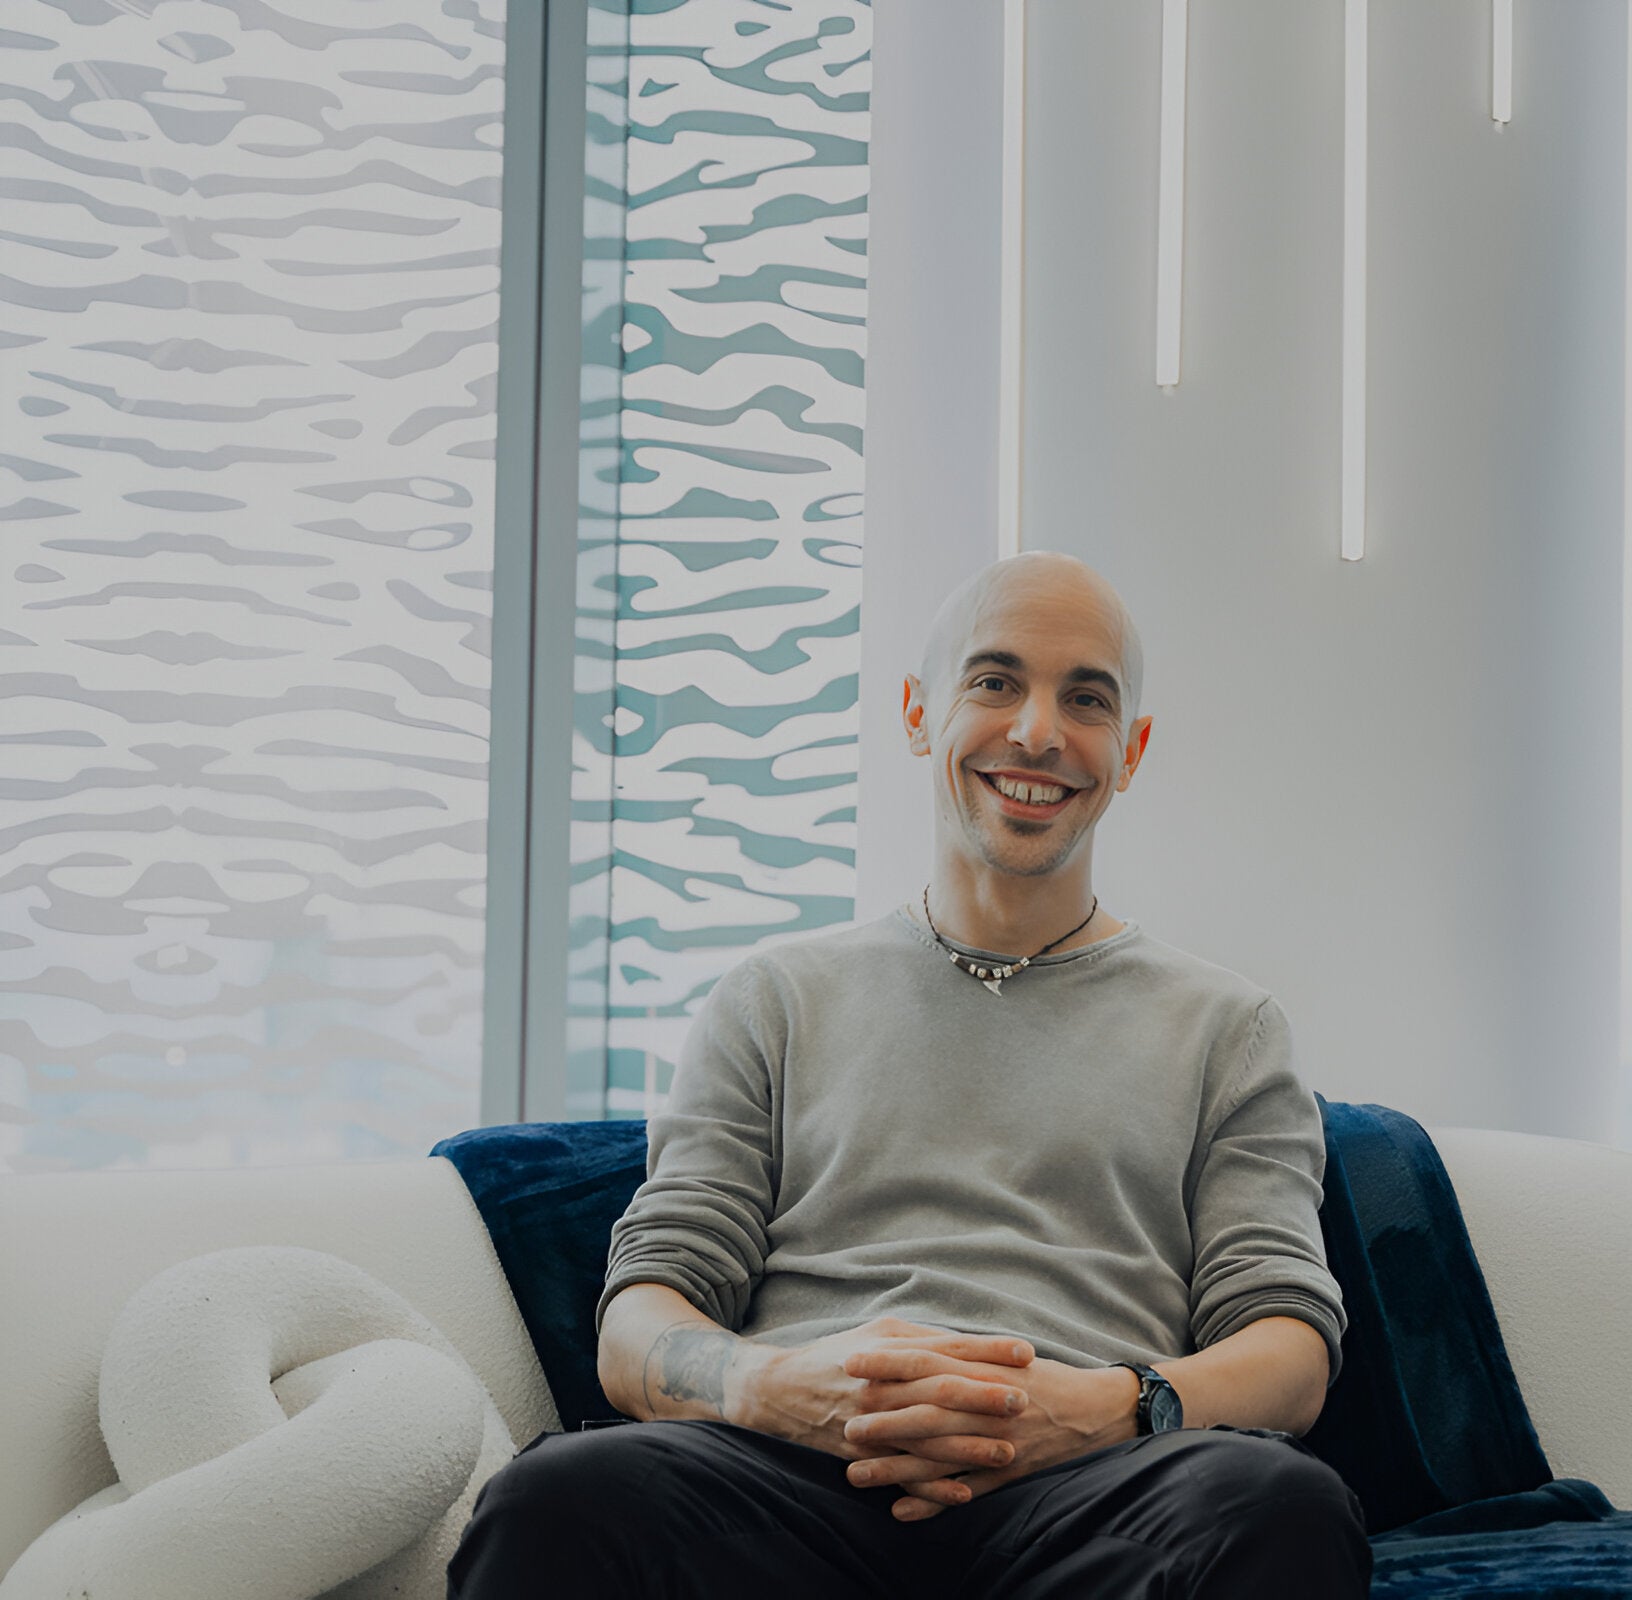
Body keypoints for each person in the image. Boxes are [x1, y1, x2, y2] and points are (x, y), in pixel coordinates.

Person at [449, 553, 1367, 1599]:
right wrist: (769, 1384)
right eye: (994, 681)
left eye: (1086, 698)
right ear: (915, 713)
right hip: (788, 1478)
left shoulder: (1228, 1028)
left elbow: (1287, 1349)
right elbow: (640, 1319)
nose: (1035, 732)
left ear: (1132, 749)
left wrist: (1102, 1406)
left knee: (1277, 1504)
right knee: (554, 1498)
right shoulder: (773, 997)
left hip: (1091, 1485)